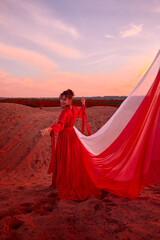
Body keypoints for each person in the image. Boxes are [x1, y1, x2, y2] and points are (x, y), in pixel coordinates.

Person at [40, 89, 102, 201]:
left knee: (66, 159)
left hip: (65, 137)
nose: (62, 101)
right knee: (71, 159)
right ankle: (69, 181)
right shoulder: (74, 109)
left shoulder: (65, 112)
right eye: (61, 98)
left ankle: (67, 183)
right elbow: (82, 113)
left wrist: (50, 128)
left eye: (65, 99)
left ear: (70, 100)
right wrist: (83, 104)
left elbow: (60, 125)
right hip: (72, 135)